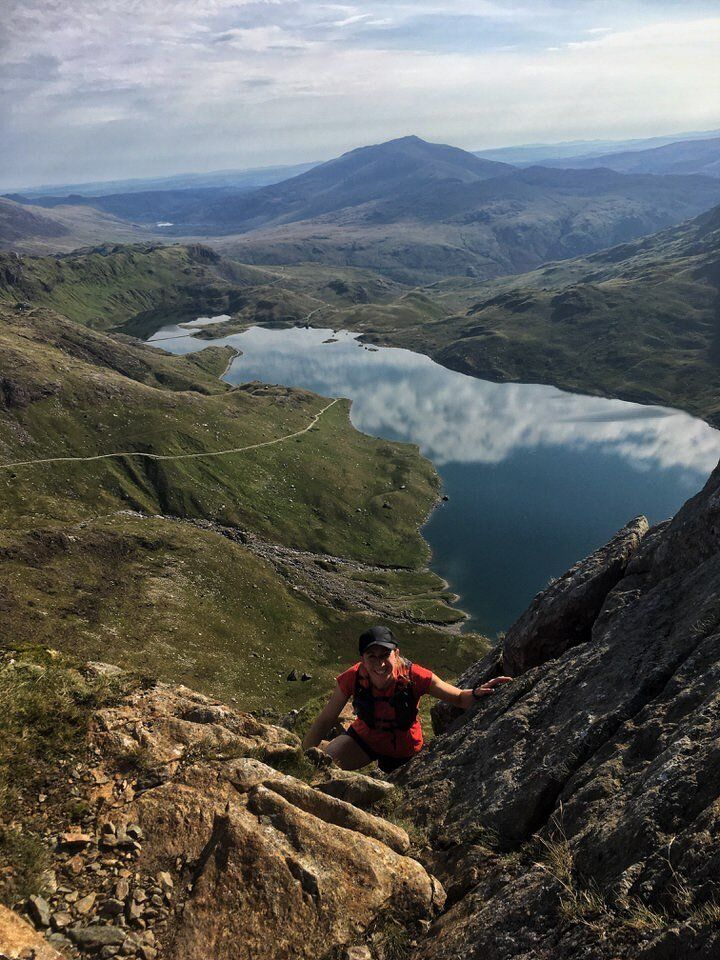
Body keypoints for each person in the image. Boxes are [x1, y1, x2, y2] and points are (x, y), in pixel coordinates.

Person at [302, 625, 512, 773]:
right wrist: (301, 758)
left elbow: (458, 698)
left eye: (385, 654)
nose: (379, 663)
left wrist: (477, 693)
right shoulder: (352, 678)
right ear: (362, 660)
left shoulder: (416, 676)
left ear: (396, 654)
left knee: (397, 791)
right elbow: (325, 720)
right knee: (327, 761)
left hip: (404, 749)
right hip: (365, 739)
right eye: (371, 656)